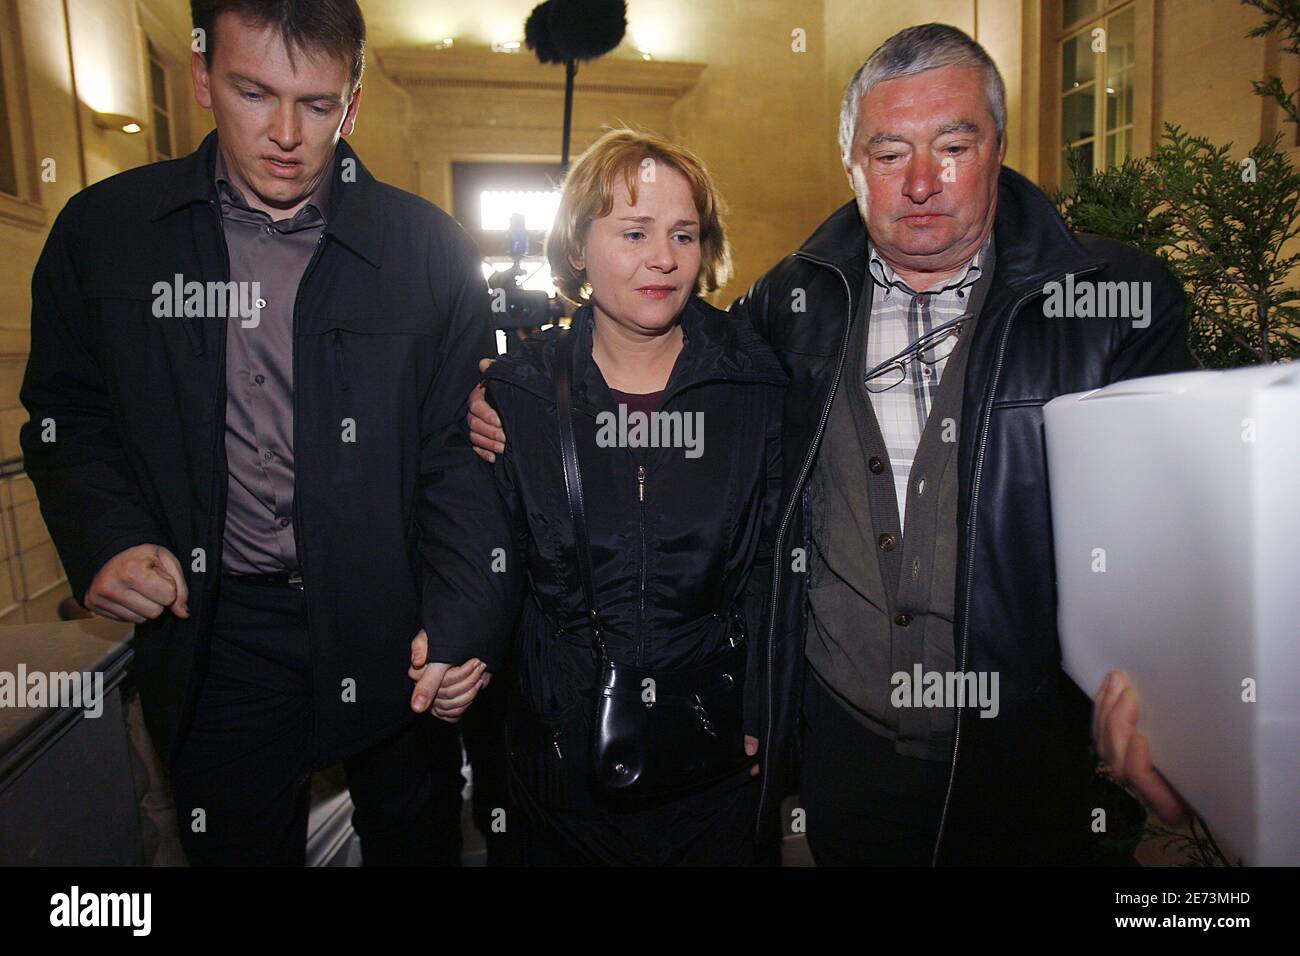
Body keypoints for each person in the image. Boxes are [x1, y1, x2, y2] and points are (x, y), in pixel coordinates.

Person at [471, 24, 1193, 864]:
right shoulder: (796, 302)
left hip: (1028, 751)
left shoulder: (1111, 303)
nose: (921, 182)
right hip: (848, 750)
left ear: (998, 145)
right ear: (850, 162)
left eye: (952, 145)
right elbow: (662, 358)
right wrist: (500, 387)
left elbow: (1167, 529)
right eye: (889, 154)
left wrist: (1169, 692)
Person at [20, 0, 514, 866]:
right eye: (254, 93)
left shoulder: (429, 250)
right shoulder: (105, 236)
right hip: (218, 630)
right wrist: (108, 540)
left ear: (352, 104)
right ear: (203, 77)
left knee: (417, 843)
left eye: (318, 105)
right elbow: (70, 417)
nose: (286, 133)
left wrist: (464, 615)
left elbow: (457, 454)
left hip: (392, 619)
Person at [471, 128, 786, 865]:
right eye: (634, 231)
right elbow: (490, 567)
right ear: (577, 246)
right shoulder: (517, 394)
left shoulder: (753, 387)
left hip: (714, 755)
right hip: (558, 765)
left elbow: (776, 561)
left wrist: (765, 706)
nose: (663, 258)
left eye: (684, 234)